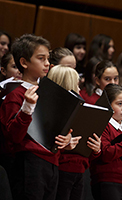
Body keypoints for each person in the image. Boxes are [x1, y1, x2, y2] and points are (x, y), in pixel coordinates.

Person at [0, 34, 76, 200]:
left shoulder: (51, 93)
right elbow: (13, 137)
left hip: (53, 163)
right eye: (41, 58)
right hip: (29, 163)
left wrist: (66, 139)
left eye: (48, 58)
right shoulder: (15, 95)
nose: (47, 63)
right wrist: (27, 108)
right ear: (24, 62)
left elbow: (56, 127)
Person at [46, 65, 101, 200]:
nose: (79, 90)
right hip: (60, 170)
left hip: (79, 169)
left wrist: (95, 148)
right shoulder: (52, 112)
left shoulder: (77, 110)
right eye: (76, 85)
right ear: (67, 85)